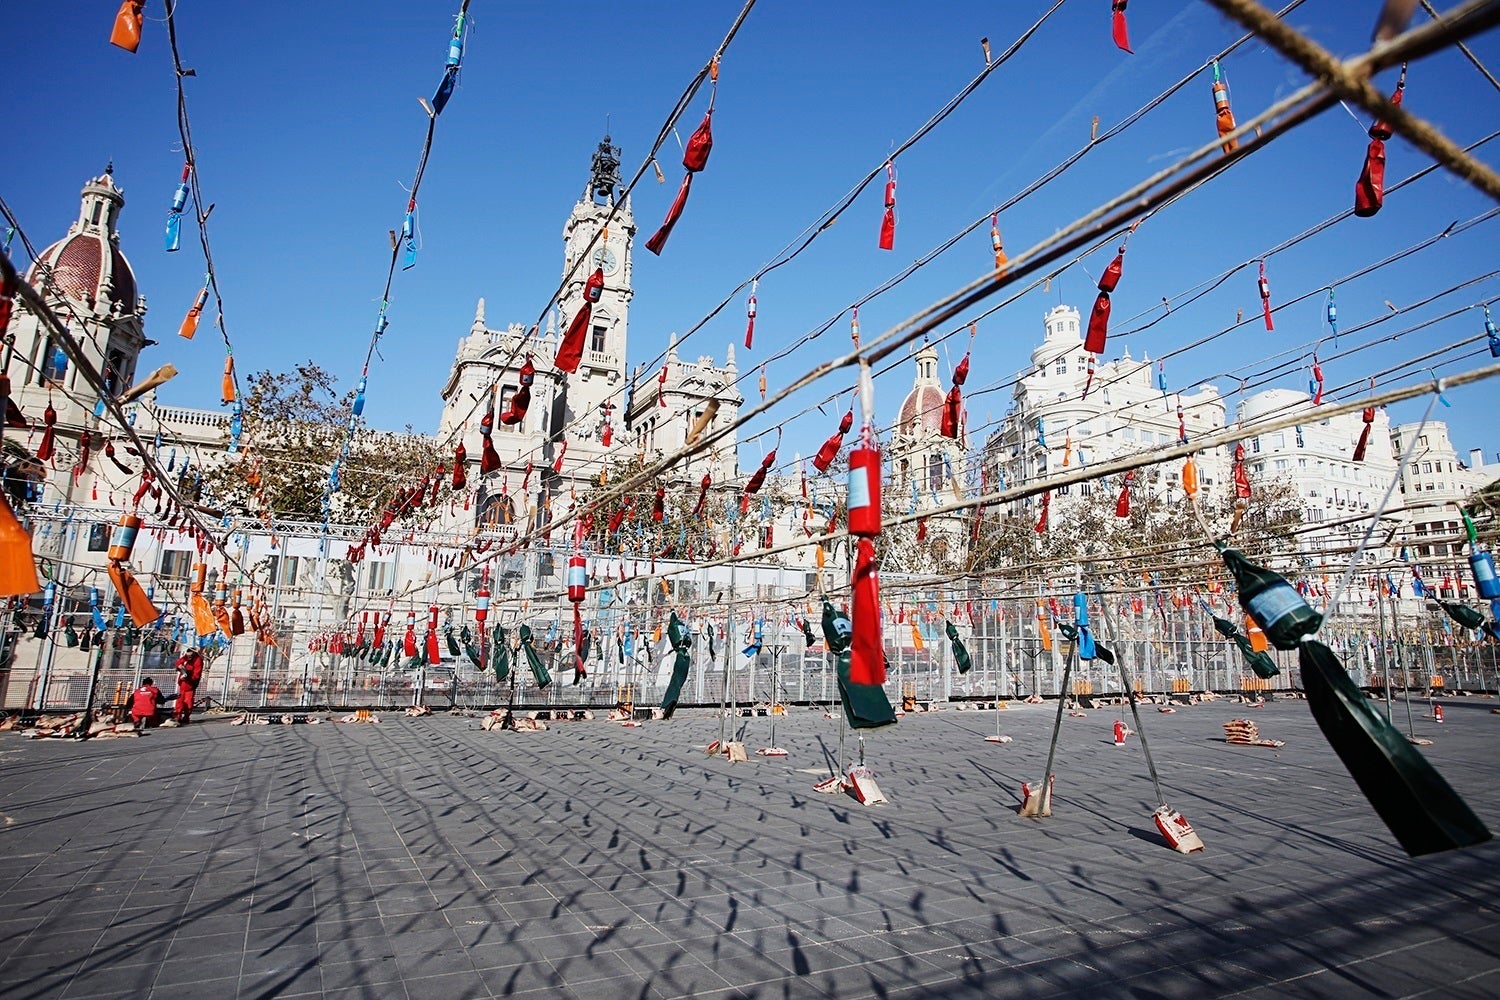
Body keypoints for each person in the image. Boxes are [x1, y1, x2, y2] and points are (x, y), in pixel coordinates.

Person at [174, 648, 205, 724]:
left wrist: (187, 677)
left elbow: (196, 675)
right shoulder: (186, 657)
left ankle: (186, 717)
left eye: (190, 656)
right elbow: (178, 663)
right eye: (188, 655)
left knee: (188, 701)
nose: (189, 657)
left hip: (190, 683)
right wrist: (179, 667)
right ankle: (178, 716)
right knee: (180, 700)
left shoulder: (198, 660)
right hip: (183, 683)